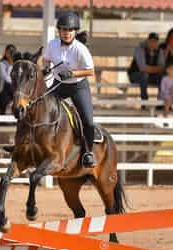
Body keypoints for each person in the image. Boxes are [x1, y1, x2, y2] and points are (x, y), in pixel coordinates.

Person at [43, 12, 96, 168]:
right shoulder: (52, 44)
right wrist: (46, 67)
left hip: (78, 86)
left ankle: (89, 152)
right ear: (59, 31)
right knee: (40, 106)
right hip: (59, 84)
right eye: (64, 30)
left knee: (88, 120)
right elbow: (46, 59)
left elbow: (91, 71)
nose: (66, 33)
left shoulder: (81, 49)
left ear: (75, 32)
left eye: (70, 30)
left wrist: (72, 73)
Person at [128, 32, 165, 101]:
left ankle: (160, 101)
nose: (153, 43)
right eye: (151, 41)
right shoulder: (140, 49)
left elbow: (162, 67)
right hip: (135, 75)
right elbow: (142, 68)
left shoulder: (159, 51)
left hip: (150, 76)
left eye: (155, 41)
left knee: (162, 76)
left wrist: (149, 69)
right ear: (147, 40)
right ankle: (144, 101)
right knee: (144, 75)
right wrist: (155, 69)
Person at [0, 44, 16, 114]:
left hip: (13, 88)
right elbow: (4, 77)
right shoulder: (2, 63)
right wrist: (10, 65)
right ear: (5, 53)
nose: (9, 54)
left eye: (12, 52)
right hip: (5, 87)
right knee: (5, 90)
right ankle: (3, 116)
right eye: (8, 52)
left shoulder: (17, 64)